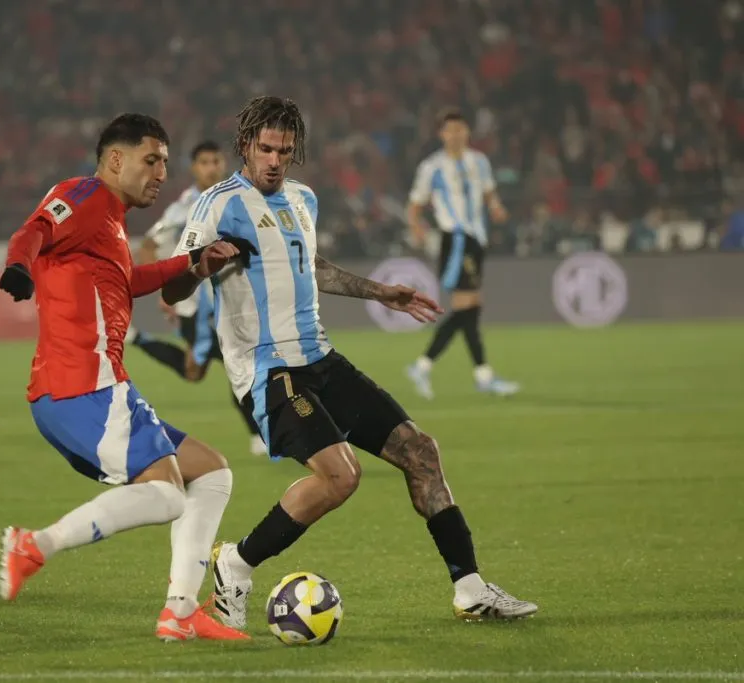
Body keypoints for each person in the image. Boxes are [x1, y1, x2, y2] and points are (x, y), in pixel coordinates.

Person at [162, 96, 538, 625]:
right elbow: (173, 288)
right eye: (264, 149)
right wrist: (200, 266)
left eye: (284, 151)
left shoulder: (302, 200)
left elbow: (310, 266)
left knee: (421, 452)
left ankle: (471, 589)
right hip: (271, 370)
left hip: (320, 358)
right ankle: (238, 563)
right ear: (246, 146)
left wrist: (380, 292)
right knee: (341, 476)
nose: (273, 160)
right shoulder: (218, 204)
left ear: (295, 153)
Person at [0, 113, 255, 642]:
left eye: (164, 161)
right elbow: (35, 229)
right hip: (79, 386)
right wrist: (18, 265)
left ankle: (180, 611)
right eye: (151, 159)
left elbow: (128, 280)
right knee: (167, 496)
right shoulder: (86, 195)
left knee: (211, 474)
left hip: (99, 387)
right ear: (116, 159)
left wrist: (193, 263)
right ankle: (35, 546)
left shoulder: (110, 221)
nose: (161, 172)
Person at [131, 140, 266, 456]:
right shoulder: (186, 207)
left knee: (197, 371)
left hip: (234, 300)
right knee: (239, 365)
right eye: (204, 162)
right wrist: (165, 287)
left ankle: (136, 338)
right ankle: (259, 436)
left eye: (216, 161)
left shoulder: (239, 198)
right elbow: (150, 244)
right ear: (194, 168)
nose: (212, 168)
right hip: (199, 306)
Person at [406, 108, 519, 400]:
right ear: (442, 134)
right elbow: (415, 204)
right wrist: (417, 227)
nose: (456, 135)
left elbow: (489, 192)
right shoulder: (432, 167)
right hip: (456, 240)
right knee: (467, 308)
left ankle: (476, 373)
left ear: (467, 132)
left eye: (460, 129)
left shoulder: (479, 162)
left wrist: (495, 207)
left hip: (476, 238)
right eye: (450, 130)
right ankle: (432, 366)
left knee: (470, 309)